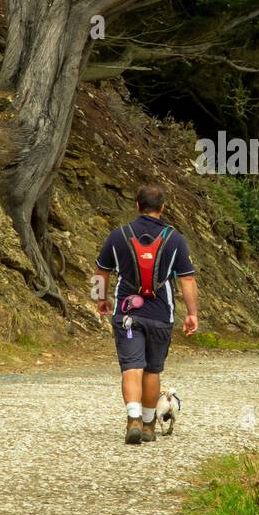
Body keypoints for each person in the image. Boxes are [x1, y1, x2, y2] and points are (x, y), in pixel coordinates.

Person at [95, 184, 198, 444]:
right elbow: (187, 280)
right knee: (152, 370)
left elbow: (100, 272)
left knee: (132, 367)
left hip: (127, 313)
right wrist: (192, 313)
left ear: (137, 205)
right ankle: (150, 425)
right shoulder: (175, 238)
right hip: (161, 315)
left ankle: (133, 419)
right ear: (162, 208)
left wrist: (100, 299)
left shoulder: (118, 235)